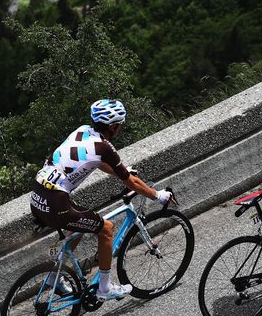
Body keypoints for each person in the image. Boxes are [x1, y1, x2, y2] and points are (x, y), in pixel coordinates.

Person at [30, 99, 174, 301]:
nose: (120, 129)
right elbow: (132, 182)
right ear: (113, 126)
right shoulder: (104, 147)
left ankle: (55, 277)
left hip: (38, 195)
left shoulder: (82, 131)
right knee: (106, 228)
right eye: (120, 125)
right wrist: (158, 195)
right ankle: (104, 288)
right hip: (56, 203)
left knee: (76, 226)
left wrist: (120, 172)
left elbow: (96, 162)